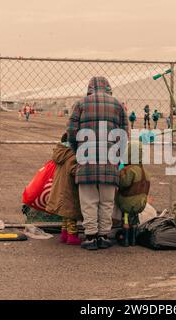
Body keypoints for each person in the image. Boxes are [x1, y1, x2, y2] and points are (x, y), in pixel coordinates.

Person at [67, 76, 129, 251]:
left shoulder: (80, 104)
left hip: (86, 158)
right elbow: (125, 133)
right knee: (107, 200)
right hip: (109, 159)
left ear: (90, 88)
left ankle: (91, 236)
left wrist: (78, 150)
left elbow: (71, 131)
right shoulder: (117, 105)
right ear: (108, 87)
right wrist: (117, 154)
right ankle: (103, 235)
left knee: (89, 200)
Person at [45, 133, 82, 245]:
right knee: (71, 214)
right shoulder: (72, 156)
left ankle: (64, 234)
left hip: (60, 187)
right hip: (69, 189)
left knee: (65, 216)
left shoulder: (61, 153)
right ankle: (72, 236)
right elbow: (74, 171)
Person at [116, 142, 150, 246]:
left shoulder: (130, 170)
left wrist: (120, 173)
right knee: (134, 220)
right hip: (140, 203)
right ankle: (133, 240)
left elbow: (123, 183)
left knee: (125, 218)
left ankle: (126, 240)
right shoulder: (145, 171)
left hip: (127, 202)